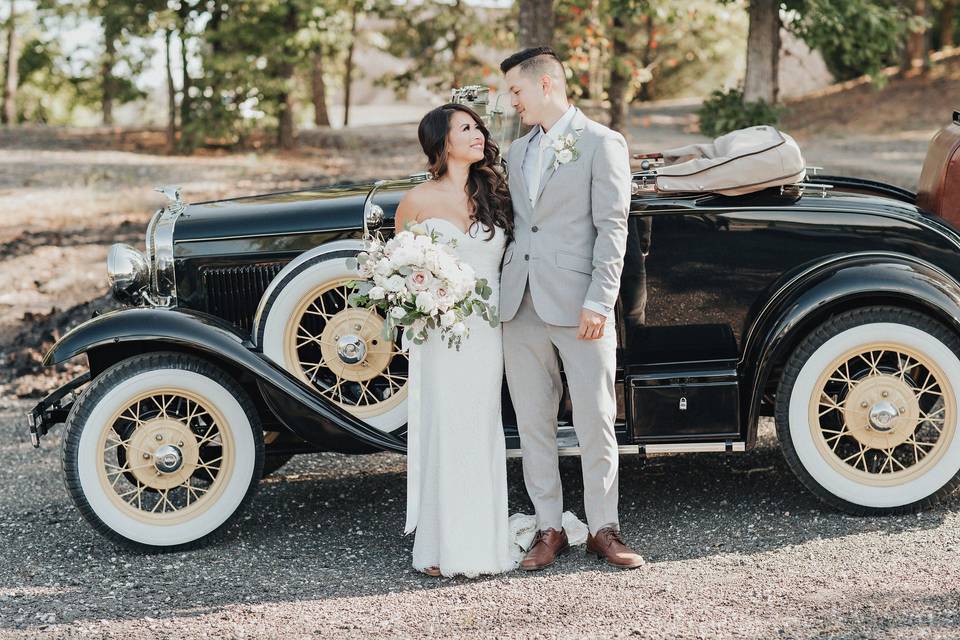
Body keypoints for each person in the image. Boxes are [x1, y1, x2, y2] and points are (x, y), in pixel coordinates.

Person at [499, 46, 645, 570]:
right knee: (533, 422)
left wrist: (599, 301)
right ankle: (548, 528)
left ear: (545, 85)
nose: (510, 101)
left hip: (581, 304)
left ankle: (605, 527)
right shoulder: (515, 152)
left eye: (516, 90)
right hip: (520, 304)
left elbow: (613, 228)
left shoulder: (603, 143)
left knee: (595, 420)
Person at [395, 103, 516, 577]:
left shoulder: (494, 194)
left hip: (488, 333)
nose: (477, 134)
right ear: (442, 142)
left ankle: (483, 538)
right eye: (465, 128)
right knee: (445, 427)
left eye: (478, 127)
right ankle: (441, 542)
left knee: (481, 427)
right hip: (441, 337)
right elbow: (400, 273)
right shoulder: (416, 201)